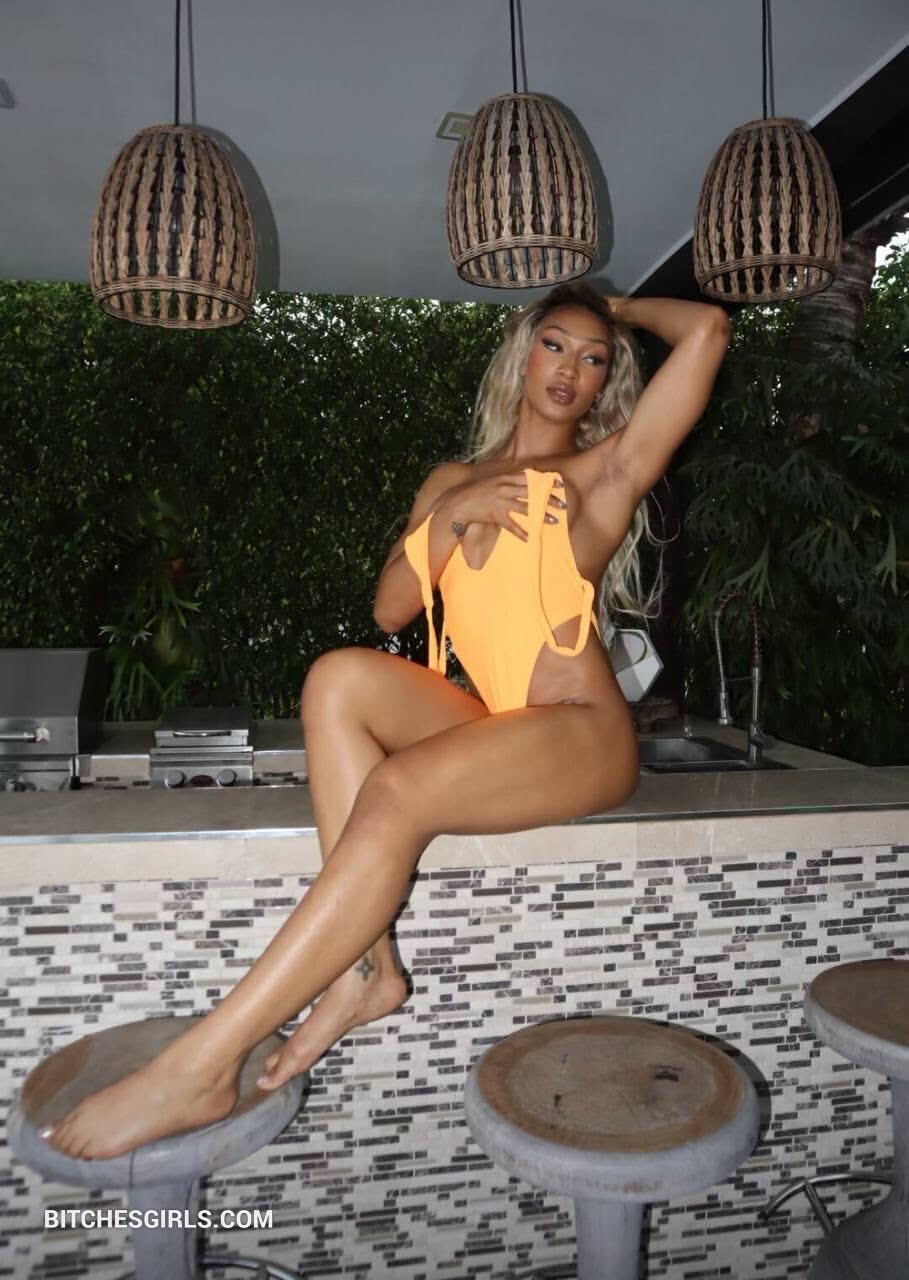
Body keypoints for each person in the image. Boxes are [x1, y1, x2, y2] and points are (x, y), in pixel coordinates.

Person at [41, 282, 730, 1159]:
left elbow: (707, 329)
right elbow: (391, 608)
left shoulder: (604, 471)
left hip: (577, 727)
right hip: (498, 721)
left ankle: (201, 1065)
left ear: (604, 385)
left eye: (593, 359)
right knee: (336, 679)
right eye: (554, 344)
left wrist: (614, 307)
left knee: (396, 792)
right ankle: (368, 970)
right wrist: (455, 515)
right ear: (521, 356)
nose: (570, 368)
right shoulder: (450, 481)